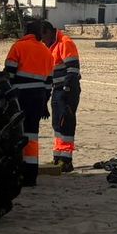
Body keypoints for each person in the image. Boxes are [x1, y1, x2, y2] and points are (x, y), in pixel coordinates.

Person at [4, 18, 56, 186]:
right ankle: (30, 174)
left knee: (16, 133)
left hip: (20, 96)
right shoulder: (46, 52)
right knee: (32, 135)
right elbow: (49, 83)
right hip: (39, 97)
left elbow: (9, 75)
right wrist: (44, 105)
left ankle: (16, 171)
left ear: (26, 32)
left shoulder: (18, 47)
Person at [42, 20, 81, 173]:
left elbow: (73, 69)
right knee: (57, 124)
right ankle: (58, 157)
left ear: (49, 32)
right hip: (57, 89)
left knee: (66, 123)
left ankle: (66, 159)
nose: (42, 40)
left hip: (68, 90)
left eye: (42, 36)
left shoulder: (65, 43)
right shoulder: (50, 46)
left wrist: (66, 90)